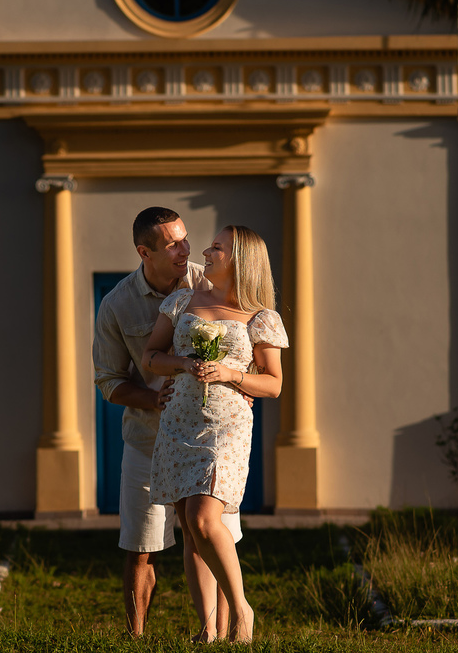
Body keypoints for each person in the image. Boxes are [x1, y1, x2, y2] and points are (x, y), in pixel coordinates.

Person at [93, 207, 244, 639]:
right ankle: (135, 638)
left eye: (185, 238)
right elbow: (108, 381)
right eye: (173, 244)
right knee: (141, 548)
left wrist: (242, 379)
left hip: (208, 439)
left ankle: (217, 634)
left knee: (212, 537)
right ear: (145, 252)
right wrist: (153, 399)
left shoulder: (209, 281)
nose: (186, 249)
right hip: (148, 441)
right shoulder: (116, 304)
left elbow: (248, 332)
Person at [143, 225, 288, 644]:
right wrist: (183, 364)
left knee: (204, 518)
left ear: (240, 259)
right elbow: (151, 357)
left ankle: (242, 610)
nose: (205, 252)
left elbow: (274, 384)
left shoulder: (261, 317)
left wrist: (229, 374)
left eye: (217, 247)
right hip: (178, 423)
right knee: (191, 529)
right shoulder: (181, 301)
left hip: (226, 427)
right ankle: (208, 629)